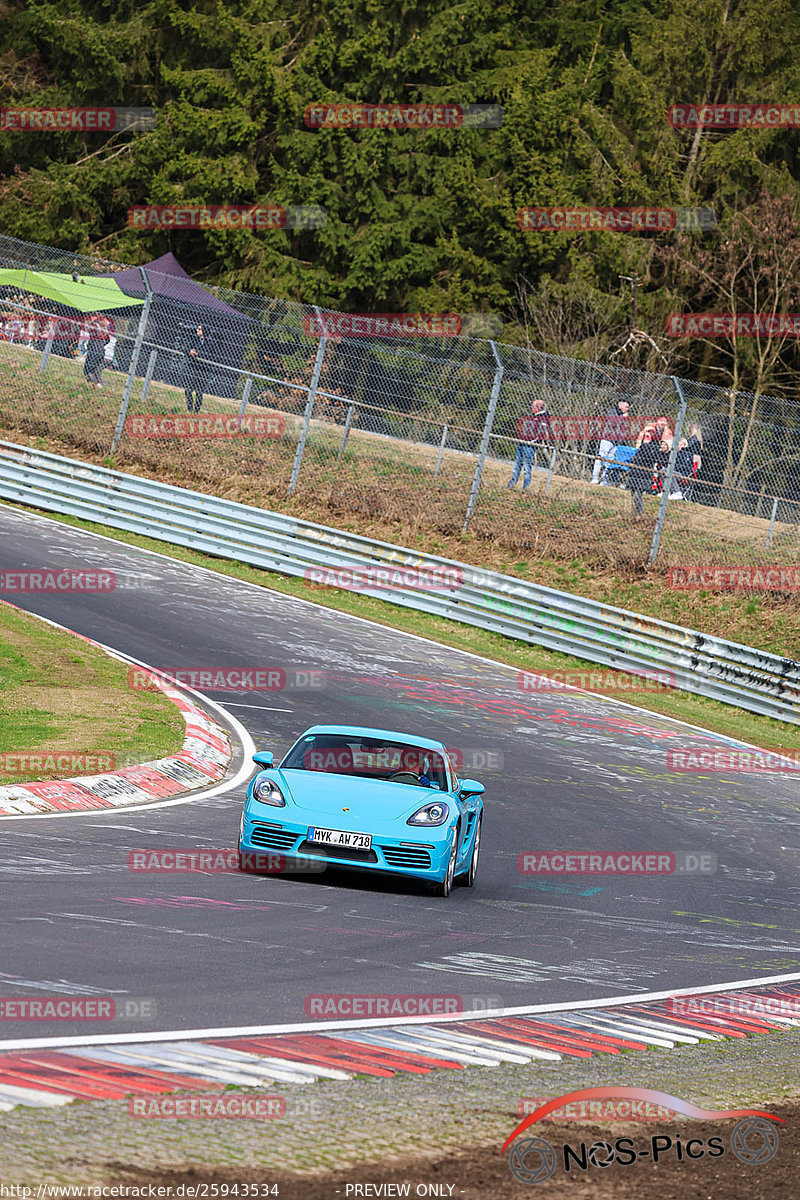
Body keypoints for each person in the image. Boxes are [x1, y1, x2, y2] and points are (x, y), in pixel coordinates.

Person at [508, 397, 552, 490]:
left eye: (532, 406)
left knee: (527, 468)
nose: (531, 408)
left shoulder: (543, 418)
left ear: (538, 407)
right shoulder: (533, 416)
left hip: (529, 446)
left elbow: (541, 434)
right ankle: (511, 485)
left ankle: (526, 487)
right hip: (522, 442)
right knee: (517, 466)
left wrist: (531, 442)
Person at [592, 399, 630, 485]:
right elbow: (613, 423)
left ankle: (604, 480)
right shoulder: (612, 412)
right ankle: (595, 478)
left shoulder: (624, 416)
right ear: (620, 405)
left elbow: (624, 429)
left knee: (609, 461)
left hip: (616, 442)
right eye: (626, 407)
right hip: (607, 439)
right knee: (601, 457)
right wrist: (622, 418)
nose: (627, 409)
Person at [627, 428, 661, 517]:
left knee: (638, 494)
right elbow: (636, 458)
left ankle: (639, 513)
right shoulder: (643, 445)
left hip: (644, 475)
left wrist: (645, 445)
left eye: (648, 436)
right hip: (635, 472)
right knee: (633, 493)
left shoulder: (654, 447)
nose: (645, 438)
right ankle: (634, 512)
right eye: (645, 436)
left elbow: (647, 458)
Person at [184, 324, 207, 412]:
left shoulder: (210, 342)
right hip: (192, 367)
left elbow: (213, 355)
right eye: (197, 328)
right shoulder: (194, 339)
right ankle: (190, 408)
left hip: (203, 369)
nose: (197, 330)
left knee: (199, 391)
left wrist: (199, 354)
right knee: (188, 389)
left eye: (199, 329)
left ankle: (196, 410)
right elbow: (185, 348)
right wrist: (190, 351)